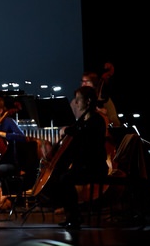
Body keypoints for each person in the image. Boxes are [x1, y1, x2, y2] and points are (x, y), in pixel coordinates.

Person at [40, 85, 108, 229]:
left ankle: (75, 216)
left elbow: (84, 137)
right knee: (57, 178)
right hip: (83, 166)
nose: (76, 103)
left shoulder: (96, 120)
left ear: (88, 101)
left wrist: (69, 130)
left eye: (78, 100)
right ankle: (71, 214)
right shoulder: (82, 122)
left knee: (65, 179)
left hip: (95, 167)